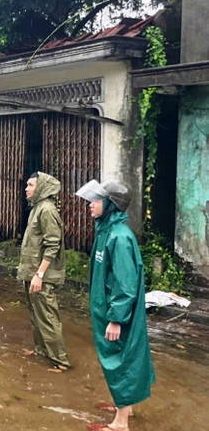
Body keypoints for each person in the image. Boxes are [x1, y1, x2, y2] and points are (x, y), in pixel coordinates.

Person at [76, 179, 155, 431]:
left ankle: (121, 424)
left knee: (120, 359)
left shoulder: (119, 238)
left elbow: (125, 283)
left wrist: (116, 319)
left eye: (96, 200)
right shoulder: (107, 232)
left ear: (110, 204)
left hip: (117, 314)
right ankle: (125, 406)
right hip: (107, 310)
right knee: (118, 358)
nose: (91, 204)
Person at [16, 172, 71, 371]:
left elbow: (52, 244)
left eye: (31, 185)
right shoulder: (37, 208)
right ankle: (41, 350)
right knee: (36, 313)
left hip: (41, 276)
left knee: (47, 316)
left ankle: (60, 361)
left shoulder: (46, 210)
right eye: (27, 185)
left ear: (41, 187)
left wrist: (39, 274)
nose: (26, 188)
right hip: (32, 273)